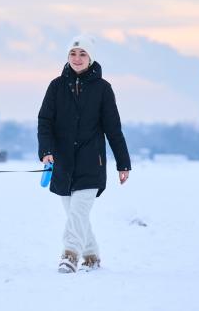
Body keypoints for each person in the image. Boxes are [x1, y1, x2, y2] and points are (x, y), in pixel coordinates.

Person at [37, 34, 131, 273]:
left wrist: (123, 163)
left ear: (91, 58)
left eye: (82, 54)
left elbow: (113, 129)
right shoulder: (56, 86)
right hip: (63, 163)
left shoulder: (103, 89)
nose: (77, 58)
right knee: (75, 214)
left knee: (78, 212)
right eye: (73, 53)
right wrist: (46, 151)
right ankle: (91, 256)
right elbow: (45, 121)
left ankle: (70, 255)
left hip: (91, 162)